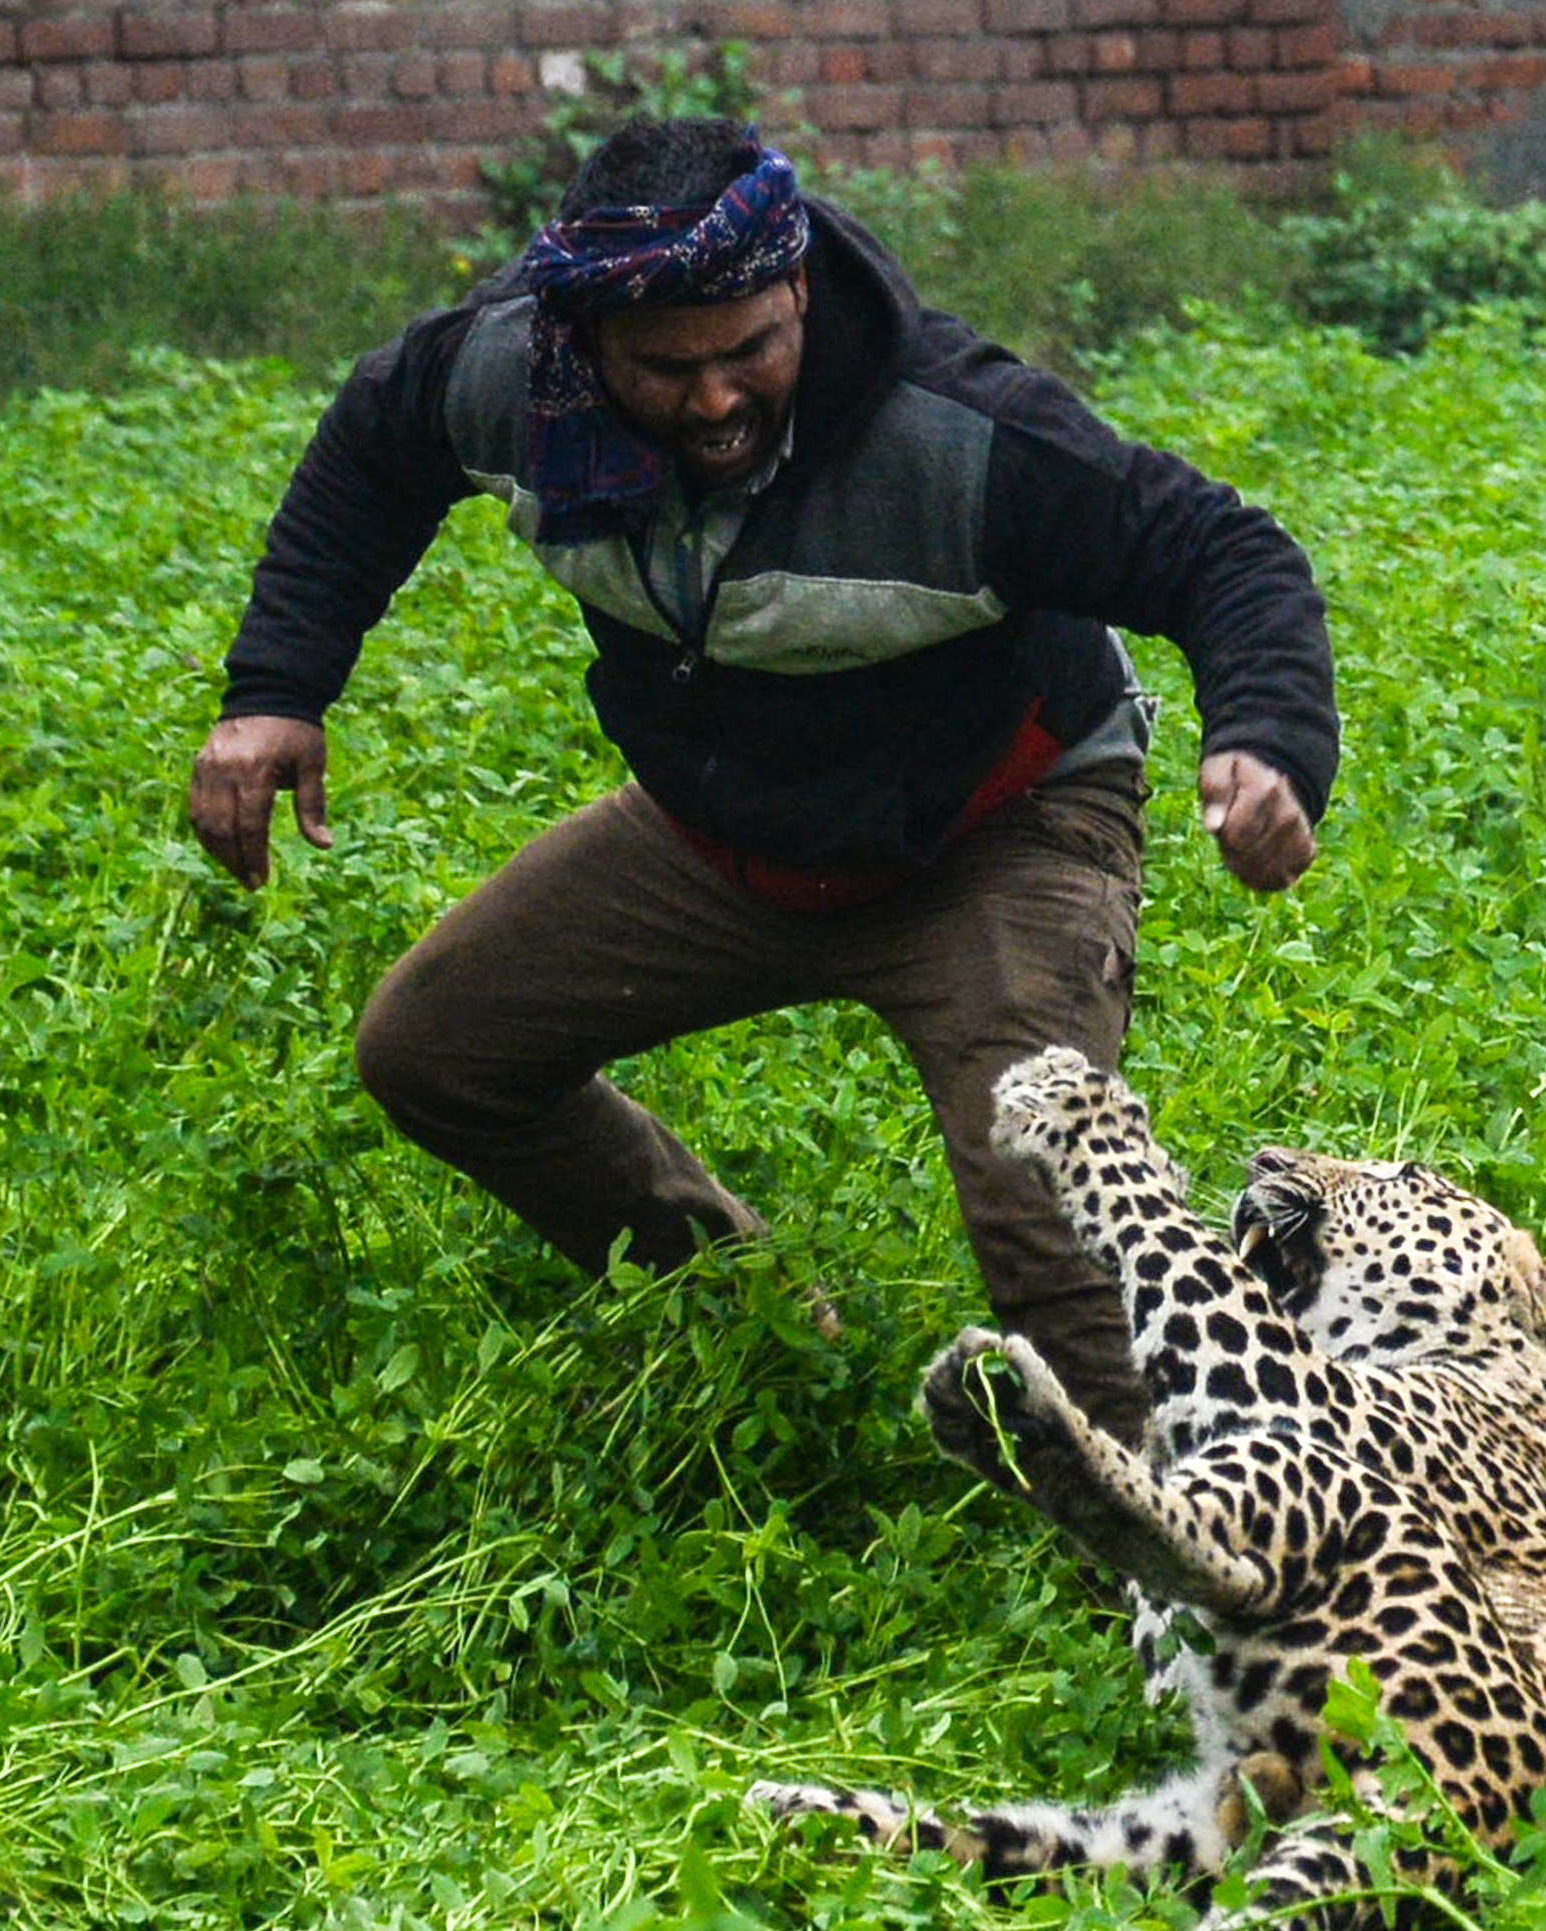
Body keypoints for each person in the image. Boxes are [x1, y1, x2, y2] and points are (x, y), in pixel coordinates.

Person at [186, 117, 1336, 1446]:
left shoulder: (956, 435)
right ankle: (766, 1323)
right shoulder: (514, 378)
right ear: (587, 340)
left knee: (1048, 1212)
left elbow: (1225, 553)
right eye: (669, 368)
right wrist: (277, 689)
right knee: (435, 1053)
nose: (719, 398)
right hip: (720, 835)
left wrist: (1266, 738)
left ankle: (1229, 1535)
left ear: (796, 291)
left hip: (997, 828)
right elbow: (372, 447)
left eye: (752, 349)